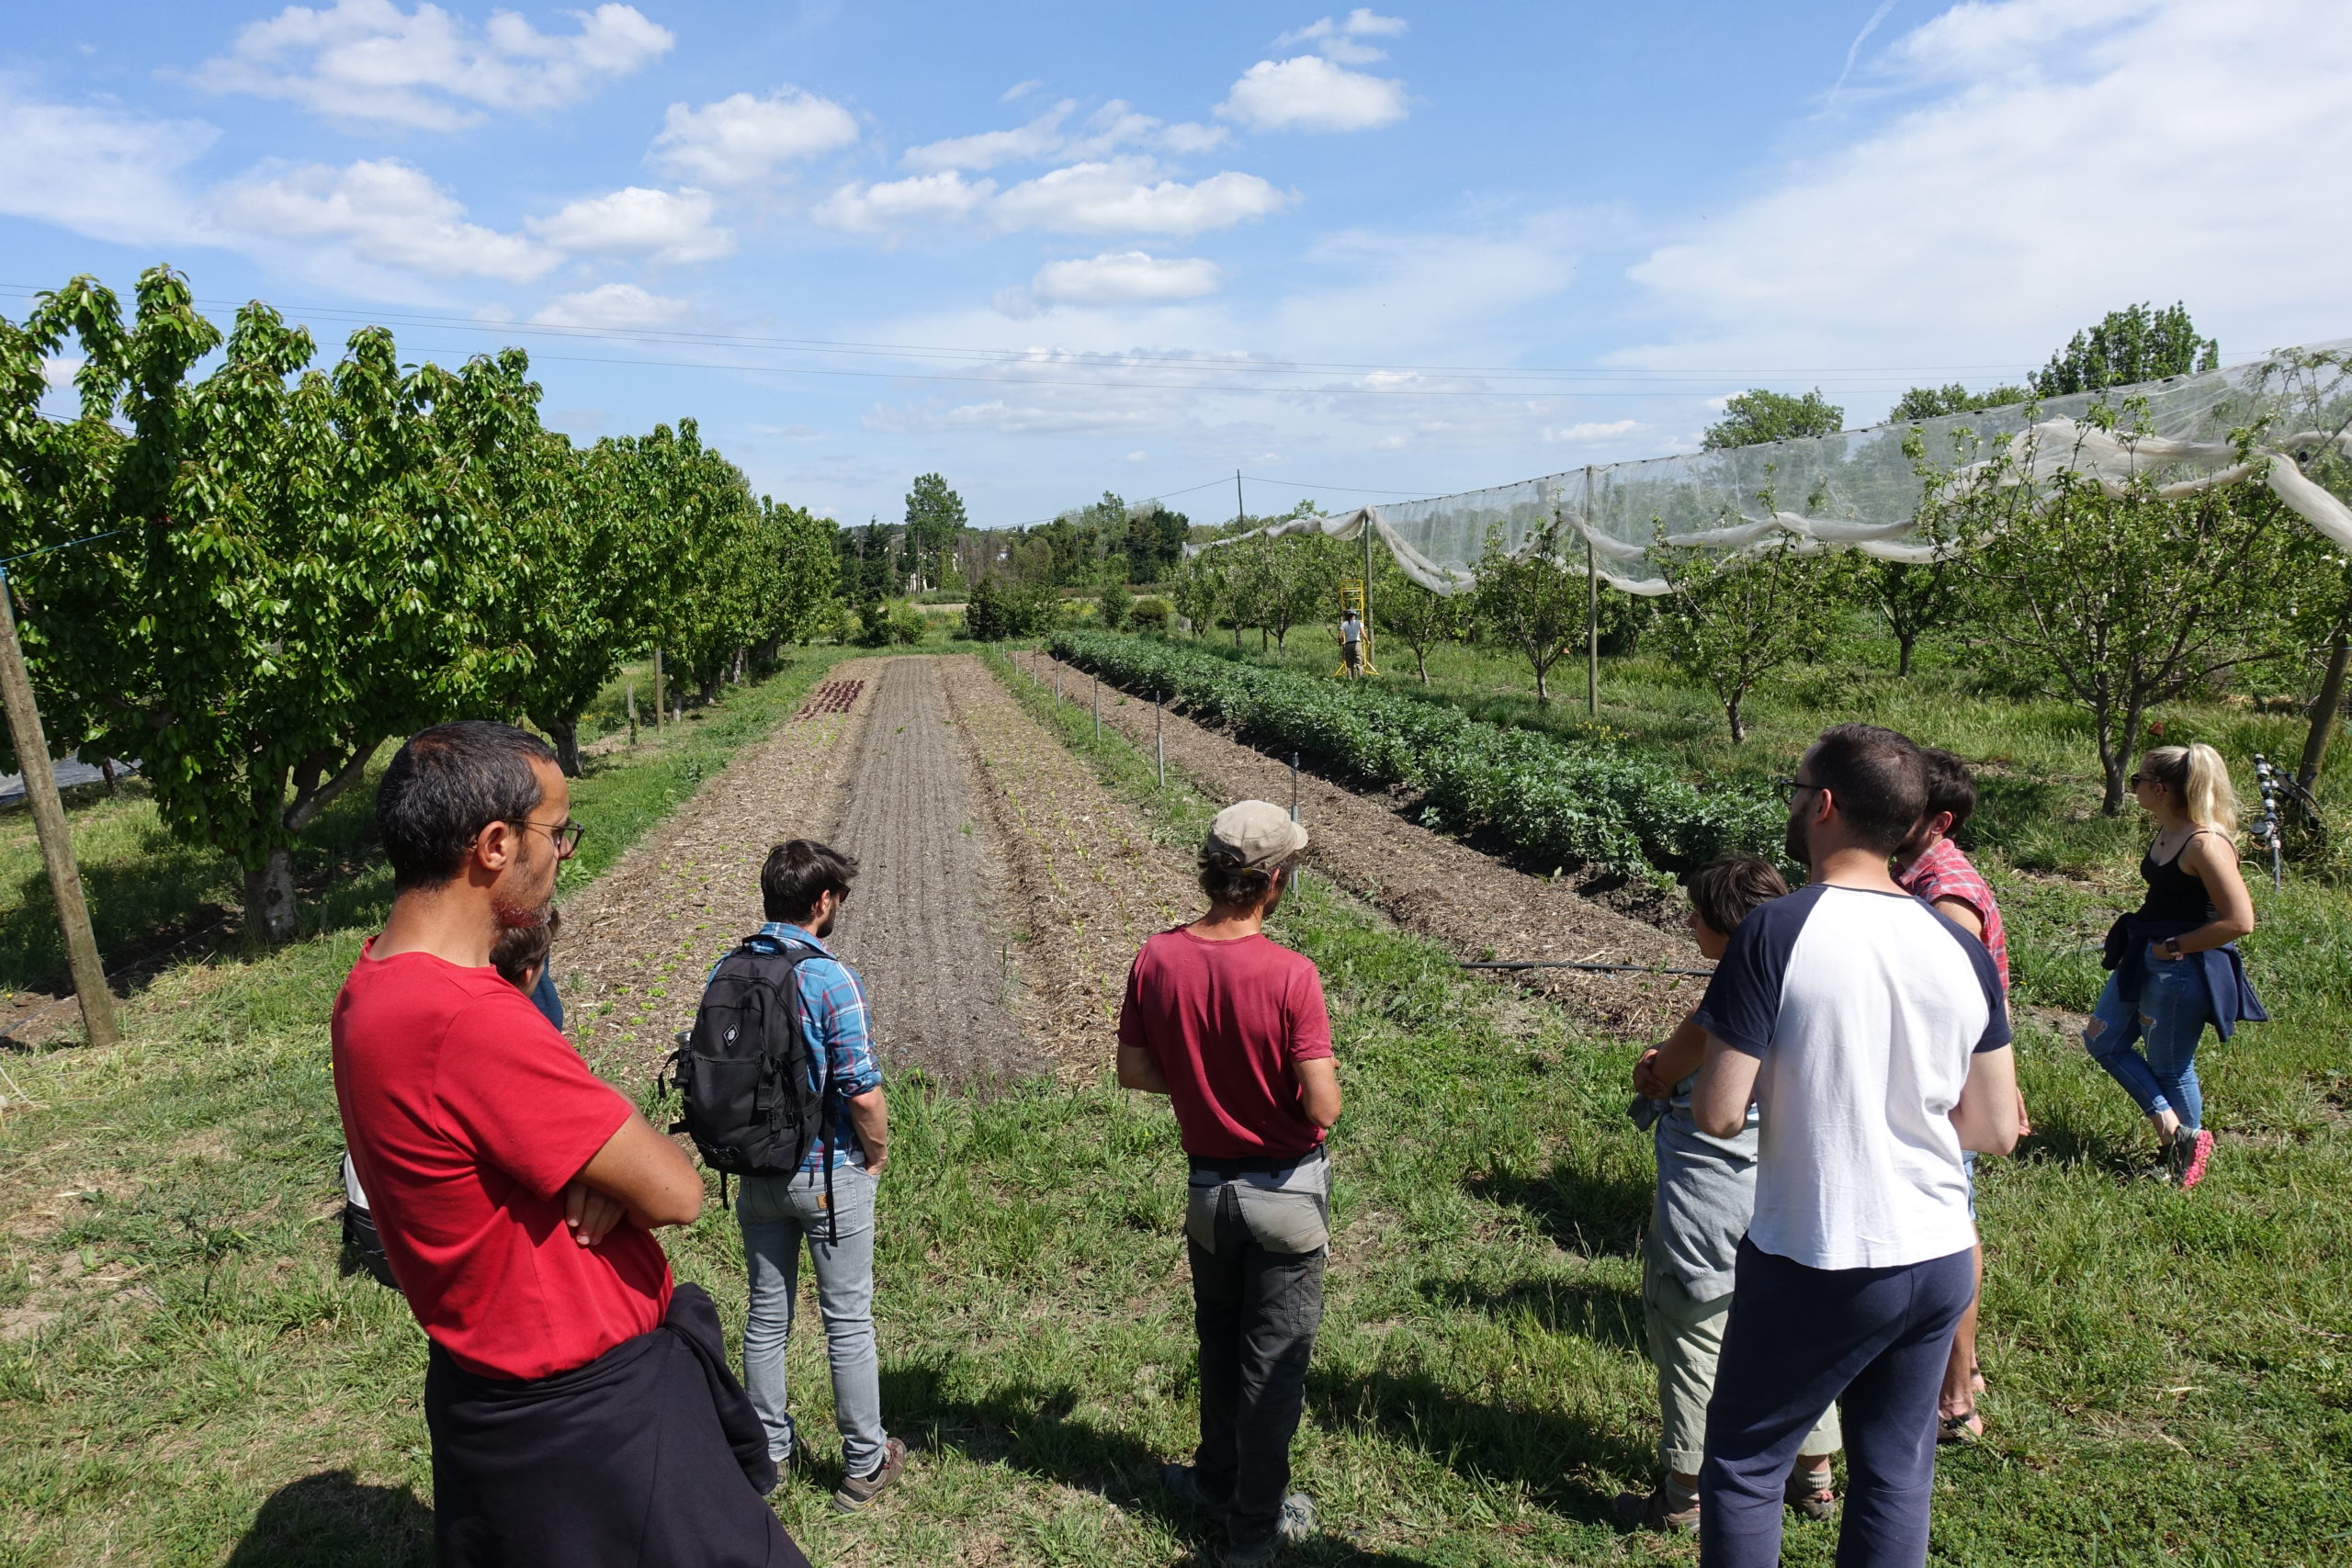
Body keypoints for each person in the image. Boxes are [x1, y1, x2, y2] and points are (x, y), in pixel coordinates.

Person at [333, 720, 807, 1568]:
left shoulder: (372, 985)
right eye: (558, 831)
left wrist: (594, 1165)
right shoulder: (466, 1019)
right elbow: (677, 1192)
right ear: (493, 844)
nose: (565, 855)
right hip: (595, 1423)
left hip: (499, 1400)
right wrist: (620, 1170)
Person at [1689, 724, 2020, 1568]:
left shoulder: (1775, 932)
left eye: (1795, 793)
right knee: (1895, 1471)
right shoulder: (1960, 942)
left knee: (1745, 1462)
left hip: (1822, 1249)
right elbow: (1993, 1129)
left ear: (1824, 806)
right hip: (1939, 1254)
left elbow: (1721, 1113)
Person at [1118, 800, 1341, 1568]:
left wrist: (1203, 1079)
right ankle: (1255, 1529)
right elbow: (1323, 1105)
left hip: (1207, 1194)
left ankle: (1215, 1478)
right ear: (1272, 882)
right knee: (1272, 1364)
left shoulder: (1157, 956)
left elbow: (1135, 1069)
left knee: (1217, 1339)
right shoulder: (1292, 975)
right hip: (1283, 1195)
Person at [1615, 857, 1843, 1535]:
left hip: (1708, 1209)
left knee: (1694, 1339)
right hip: (1792, 1202)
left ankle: (1685, 1492)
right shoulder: (1818, 995)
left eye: (1698, 911)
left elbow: (1662, 1071)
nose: (1689, 920)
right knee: (1798, 1338)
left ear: (1730, 925)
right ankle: (1815, 1476)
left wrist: (1650, 1067)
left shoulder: (1727, 1002)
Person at [727, 839, 907, 1512]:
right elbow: (861, 1089)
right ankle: (864, 1462)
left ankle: (768, 1455)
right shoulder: (831, 977)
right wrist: (877, 1150)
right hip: (827, 1171)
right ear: (822, 901)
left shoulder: (732, 964)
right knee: (848, 1319)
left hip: (755, 1172)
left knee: (766, 1316)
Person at [1893, 751, 2025, 1444]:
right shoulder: (1912, 871)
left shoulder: (1947, 893)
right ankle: (1959, 1371)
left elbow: (1961, 1004)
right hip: (1943, 1080)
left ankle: (1953, 1394)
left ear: (1938, 820)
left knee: (1950, 1225)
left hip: (1944, 1086)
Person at [340, 909, 565, 1291]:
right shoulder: (502, 1060)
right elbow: (675, 1197)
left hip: (375, 1225)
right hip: (433, 1261)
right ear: (529, 976)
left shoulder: (395, 1006)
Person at [2084, 742, 2265, 1190]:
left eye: (2139, 780)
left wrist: (2173, 947)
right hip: (2145, 953)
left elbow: (2240, 921)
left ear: (2161, 789)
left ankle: (2182, 1163)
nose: (2134, 788)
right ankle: (2177, 1133)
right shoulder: (2169, 831)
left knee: (2170, 1066)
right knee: (2102, 1041)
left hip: (2182, 968)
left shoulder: (2205, 843)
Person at [1338, 609, 1364, 677]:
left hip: (1348, 645)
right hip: (1357, 644)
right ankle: (1361, 680)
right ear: (1354, 615)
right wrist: (1367, 641)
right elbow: (1363, 634)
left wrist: (1340, 643)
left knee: (1349, 664)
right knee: (1359, 663)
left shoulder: (1344, 624)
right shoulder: (1359, 623)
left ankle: (1350, 680)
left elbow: (1339, 636)